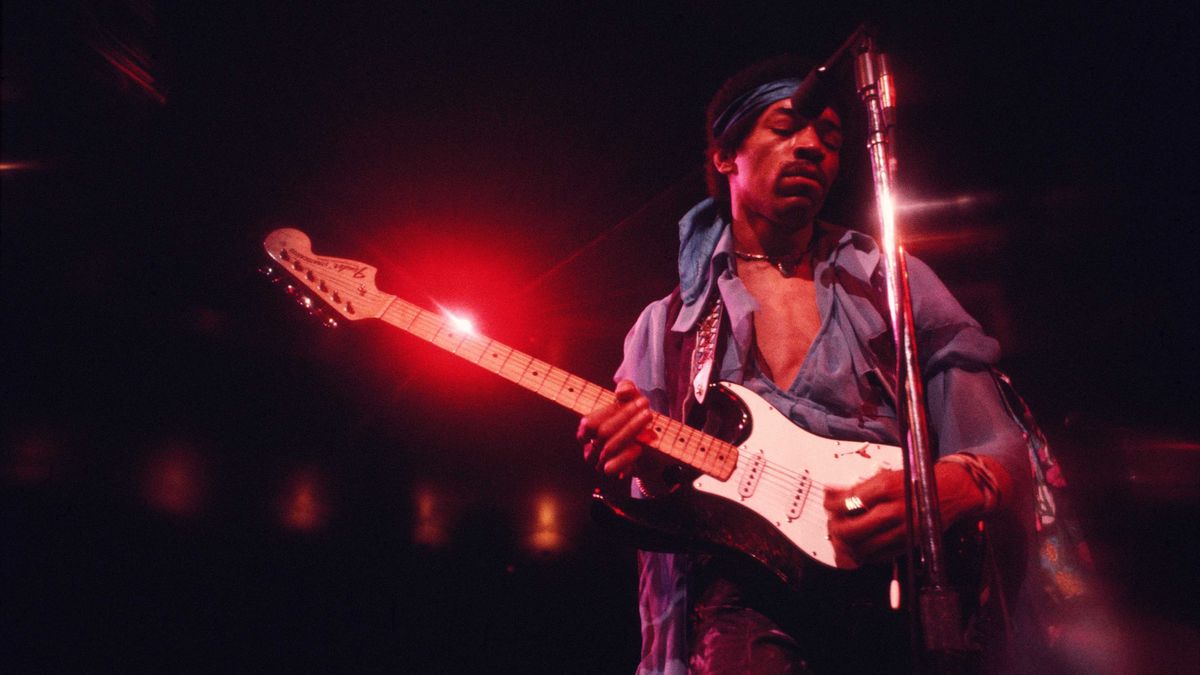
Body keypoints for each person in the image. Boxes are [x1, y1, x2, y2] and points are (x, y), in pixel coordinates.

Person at [576, 55, 1034, 673]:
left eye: (831, 138)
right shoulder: (668, 327)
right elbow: (659, 503)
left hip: (901, 590)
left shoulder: (891, 282)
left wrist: (941, 495)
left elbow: (998, 443)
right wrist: (643, 461)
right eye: (786, 127)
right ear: (726, 155)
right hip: (743, 601)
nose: (813, 146)